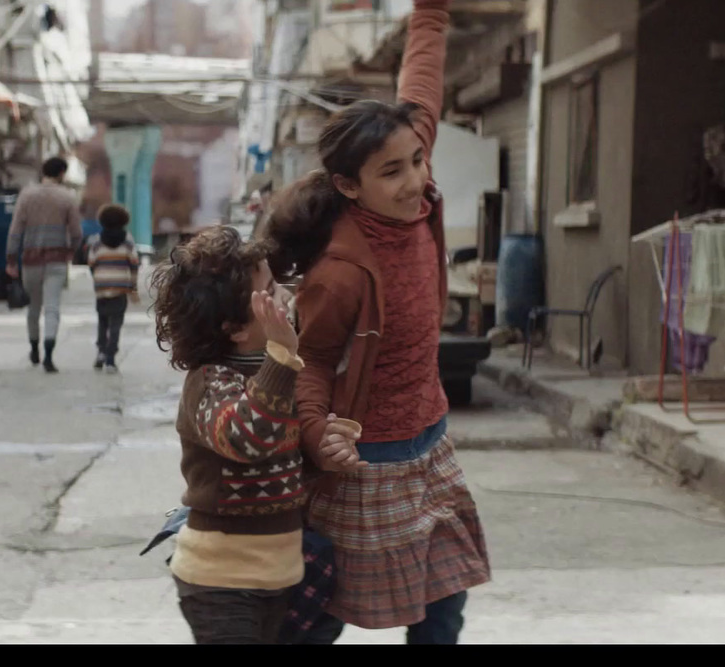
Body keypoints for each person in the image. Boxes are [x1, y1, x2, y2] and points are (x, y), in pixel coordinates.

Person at [263, 0, 491, 645]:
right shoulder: (338, 272)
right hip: (370, 455)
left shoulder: (411, 167)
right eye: (393, 172)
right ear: (349, 185)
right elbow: (304, 367)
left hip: (431, 436)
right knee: (326, 607)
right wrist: (317, 435)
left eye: (418, 160)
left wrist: (430, 12)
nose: (417, 179)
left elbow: (421, 78)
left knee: (444, 600)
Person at [150, 226, 359, 644]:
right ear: (236, 329)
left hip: (279, 575)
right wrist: (283, 356)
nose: (285, 295)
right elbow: (247, 438)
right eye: (269, 290)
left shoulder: (275, 372)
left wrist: (326, 448)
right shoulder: (210, 381)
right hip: (221, 582)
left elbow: (285, 458)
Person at [5, 157, 83, 373]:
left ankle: (34, 348)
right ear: (61, 174)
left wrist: (11, 259)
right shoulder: (67, 197)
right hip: (56, 261)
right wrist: (70, 252)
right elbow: (77, 233)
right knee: (52, 307)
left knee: (34, 307)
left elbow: (15, 230)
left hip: (31, 261)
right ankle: (49, 353)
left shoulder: (27, 195)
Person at [87, 204, 141, 373]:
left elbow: (91, 262)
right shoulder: (128, 241)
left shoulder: (96, 241)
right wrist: (133, 287)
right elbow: (134, 264)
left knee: (102, 321)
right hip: (120, 287)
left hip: (101, 287)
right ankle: (110, 359)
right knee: (116, 323)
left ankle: (101, 352)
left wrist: (98, 277)